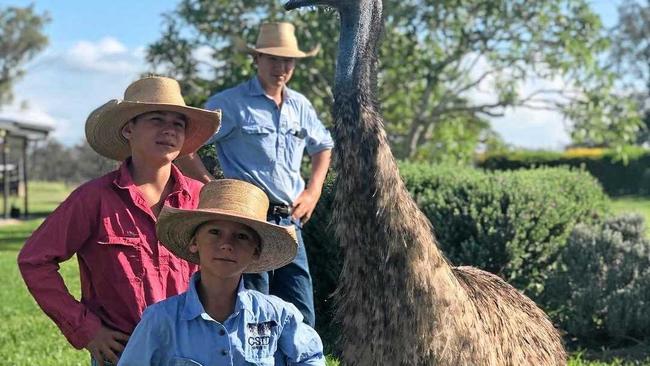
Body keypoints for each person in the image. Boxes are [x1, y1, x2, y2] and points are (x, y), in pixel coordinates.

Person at [17, 76, 221, 365]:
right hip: (124, 352)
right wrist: (88, 330)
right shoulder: (93, 198)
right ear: (128, 129)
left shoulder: (203, 199)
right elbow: (34, 260)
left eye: (178, 123)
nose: (169, 129)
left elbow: (226, 270)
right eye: (156, 119)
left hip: (195, 350)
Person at [177, 22, 333, 328]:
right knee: (249, 310)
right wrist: (212, 186)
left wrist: (313, 191)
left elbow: (323, 146)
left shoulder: (300, 105)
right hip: (245, 221)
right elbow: (185, 148)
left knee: (301, 311)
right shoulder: (230, 104)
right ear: (257, 59)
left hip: (290, 223)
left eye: (287, 60)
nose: (281, 67)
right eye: (273, 59)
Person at [118, 179, 325, 365]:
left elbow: (311, 358)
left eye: (242, 236)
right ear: (194, 242)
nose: (226, 245)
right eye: (215, 232)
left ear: (256, 251)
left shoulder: (277, 316)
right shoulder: (161, 320)